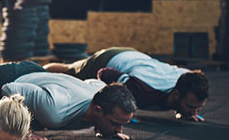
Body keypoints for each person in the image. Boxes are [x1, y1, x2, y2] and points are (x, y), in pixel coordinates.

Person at [43, 47, 209, 121]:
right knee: (70, 70)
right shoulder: (142, 90)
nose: (194, 112)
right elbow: (105, 73)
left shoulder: (187, 78)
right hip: (111, 58)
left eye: (197, 108)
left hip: (137, 56)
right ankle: (39, 72)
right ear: (177, 94)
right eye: (190, 106)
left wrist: (186, 111)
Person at [0, 72, 137, 140]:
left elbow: (93, 82)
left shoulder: (102, 93)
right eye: (115, 123)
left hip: (44, 79)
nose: (119, 130)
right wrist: (24, 131)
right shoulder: (56, 111)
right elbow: (9, 88)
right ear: (97, 110)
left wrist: (106, 127)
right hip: (11, 76)